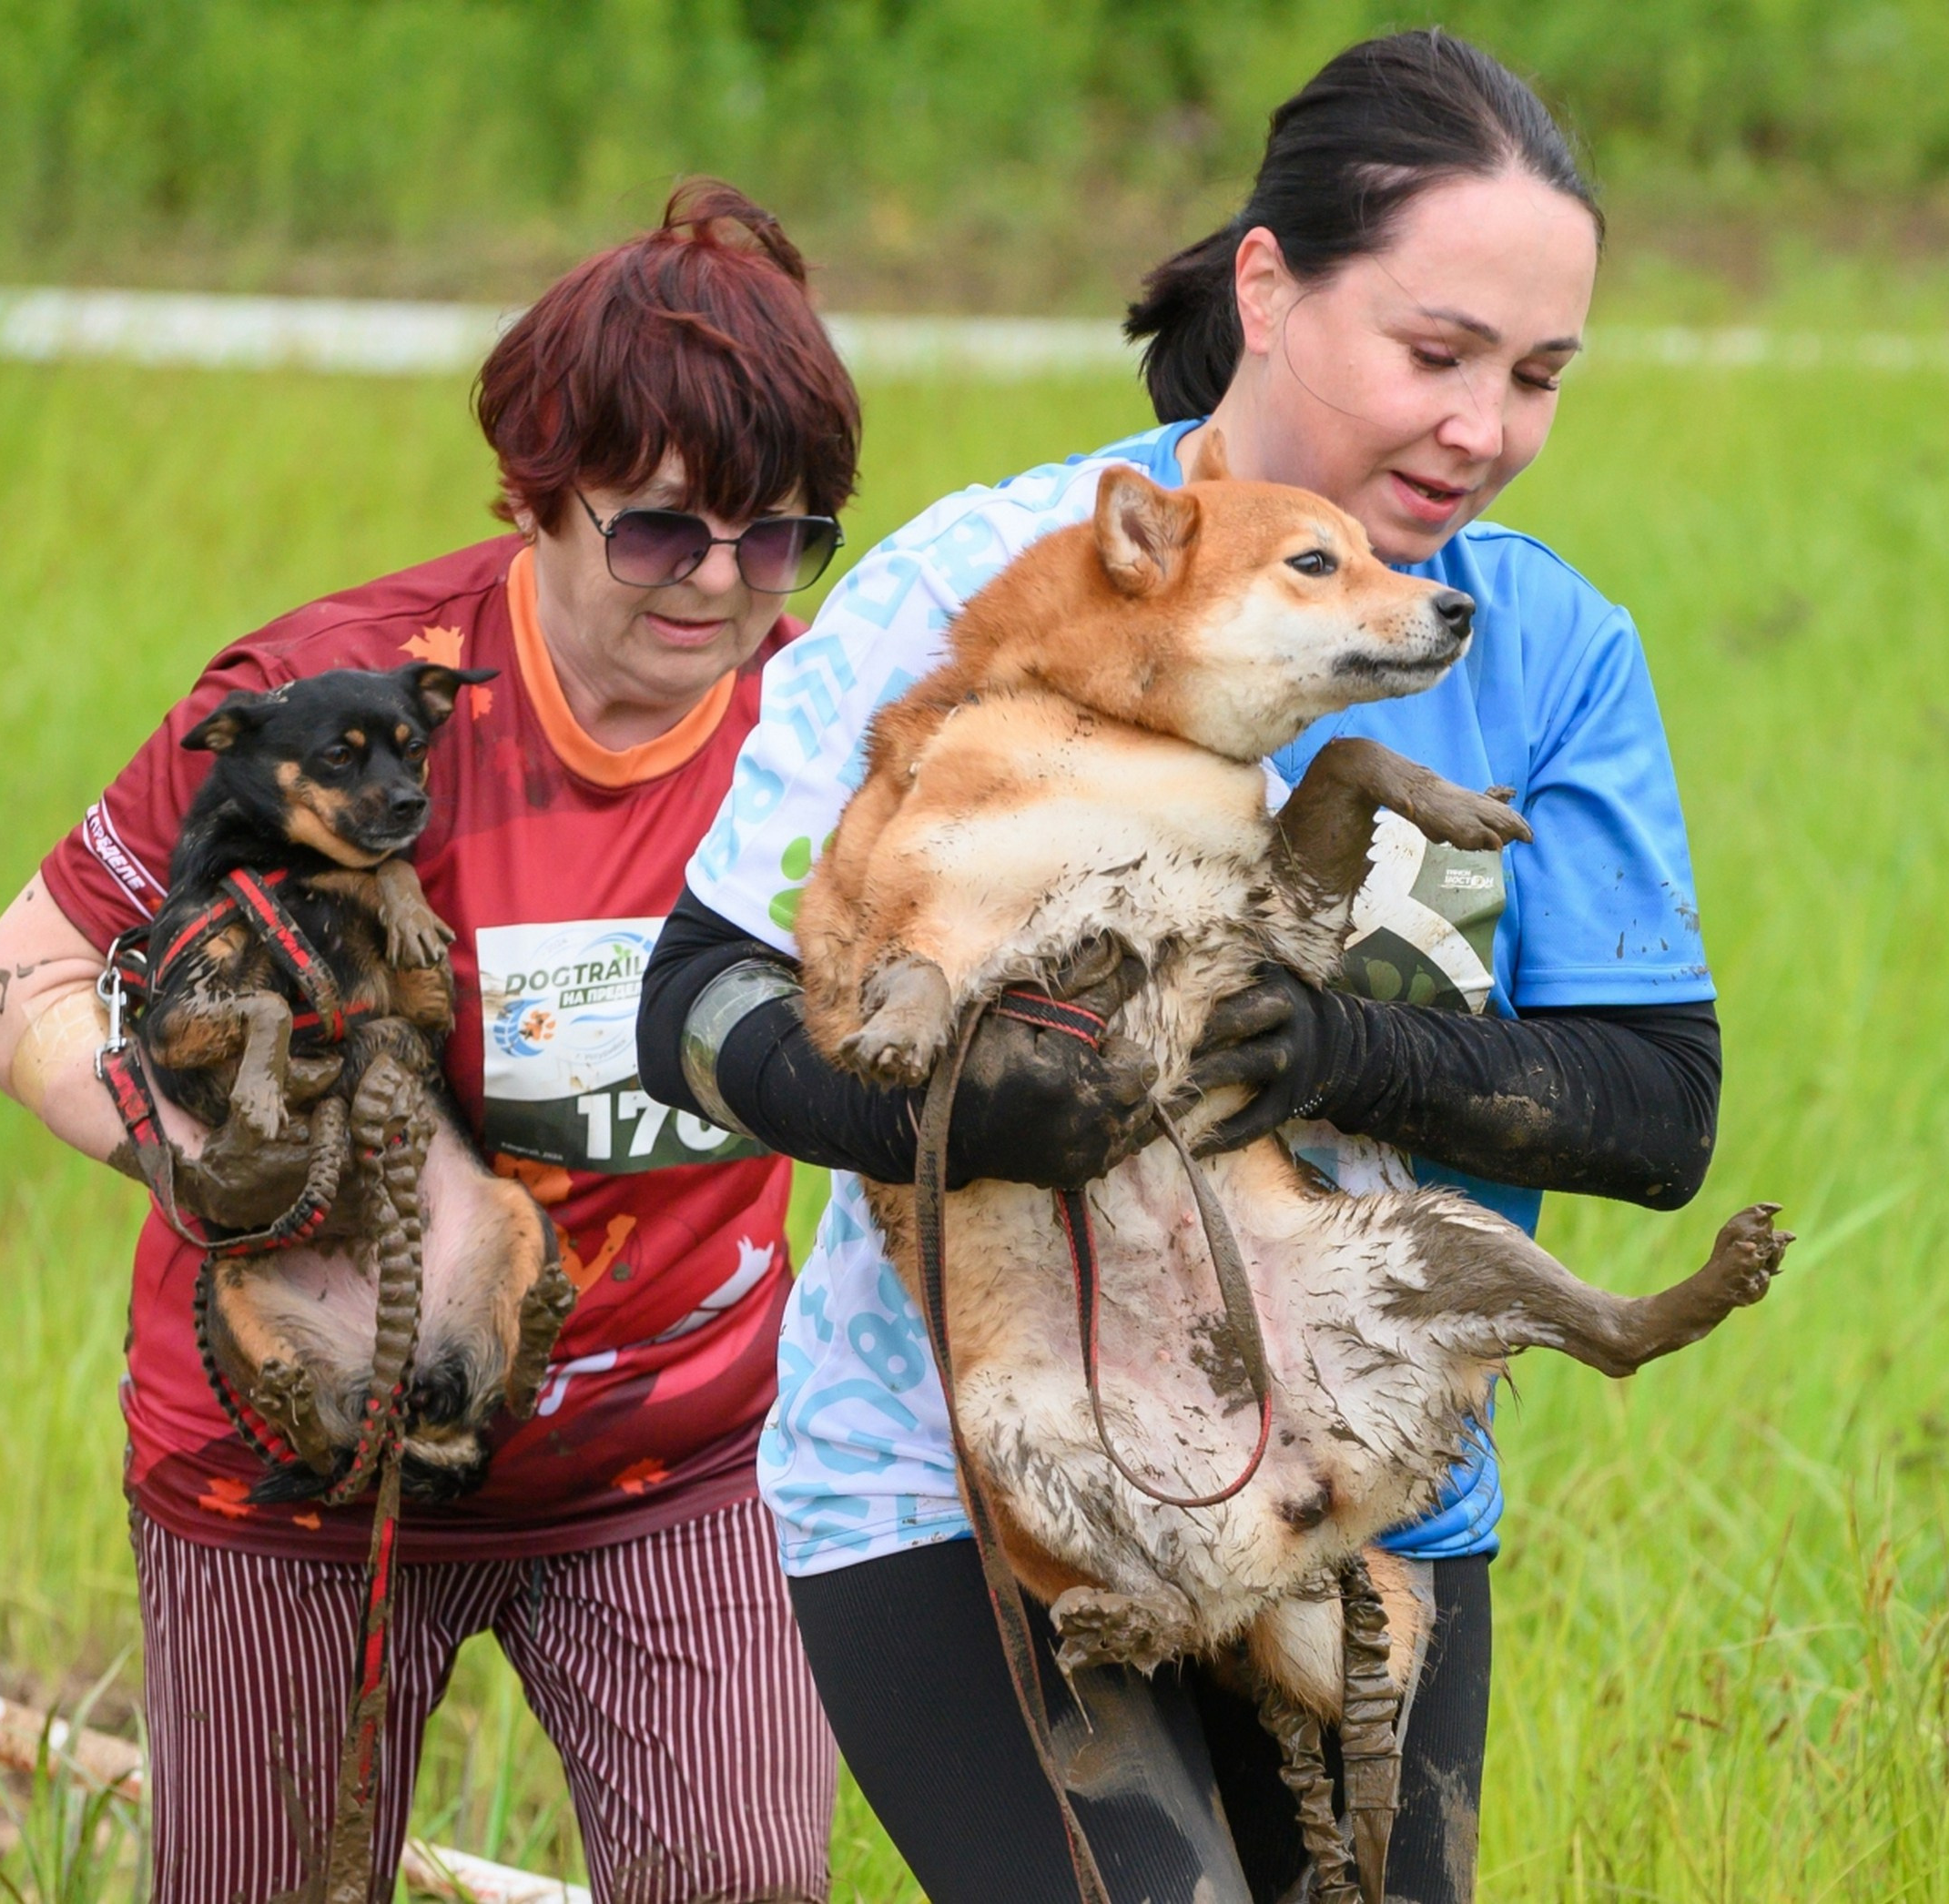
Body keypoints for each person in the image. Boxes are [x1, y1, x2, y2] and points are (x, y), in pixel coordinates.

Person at [635, 32, 1721, 1904]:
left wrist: (1329, 1053)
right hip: (968, 1484)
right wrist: (959, 1112)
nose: (1482, 426)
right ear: (1266, 290)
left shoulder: (1543, 647)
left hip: (1353, 1489)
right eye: (1435, 352)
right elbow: (698, 998)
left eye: (1536, 375)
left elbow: (1655, 1106)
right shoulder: (999, 573)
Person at [0, 183, 858, 1904]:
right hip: (298, 1452)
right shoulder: (341, 695)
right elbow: (22, 974)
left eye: (781, 538)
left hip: (675, 1451)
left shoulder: (826, 726)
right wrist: (186, 1139)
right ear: (541, 494)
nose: (726, 589)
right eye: (664, 535)